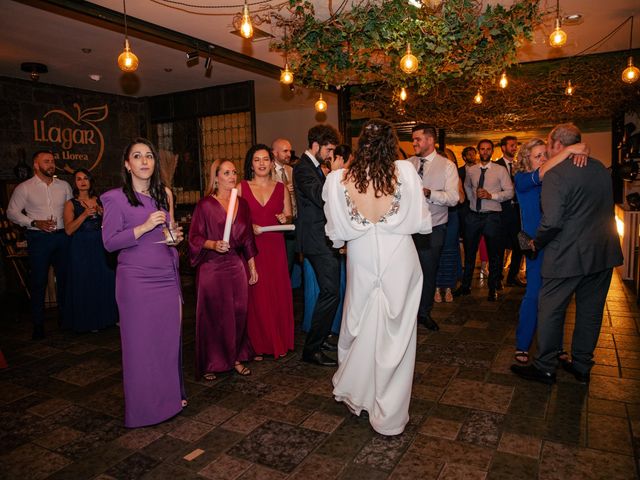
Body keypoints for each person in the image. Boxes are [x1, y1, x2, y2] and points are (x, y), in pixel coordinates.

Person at [323, 119, 432, 435]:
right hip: (399, 254)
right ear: (391, 143)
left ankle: (360, 394)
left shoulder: (338, 180)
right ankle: (388, 413)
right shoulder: (406, 173)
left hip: (361, 256)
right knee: (396, 334)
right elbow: (422, 222)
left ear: (360, 145)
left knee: (360, 322)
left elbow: (336, 234)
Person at [511, 124, 623, 384]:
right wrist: (576, 149)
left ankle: (545, 365)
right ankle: (582, 365)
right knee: (590, 312)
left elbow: (552, 221)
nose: (547, 154)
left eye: (548, 147)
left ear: (556, 145)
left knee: (550, 309)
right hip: (602, 253)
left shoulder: (557, 174)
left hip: (564, 252)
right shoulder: (598, 168)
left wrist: (537, 242)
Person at [101, 138, 186, 428]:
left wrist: (175, 237)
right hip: (136, 280)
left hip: (165, 275)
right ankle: (143, 410)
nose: (144, 161)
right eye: (137, 156)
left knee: (166, 341)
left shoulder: (164, 193)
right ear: (127, 164)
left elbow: (170, 232)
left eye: (149, 155)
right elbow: (110, 243)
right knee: (140, 347)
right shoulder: (114, 198)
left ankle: (170, 399)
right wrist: (144, 226)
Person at [511, 138, 589, 364]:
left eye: (546, 154)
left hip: (558, 244)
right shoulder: (523, 179)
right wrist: (572, 149)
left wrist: (581, 150)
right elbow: (543, 172)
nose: (544, 159)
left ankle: (555, 346)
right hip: (536, 245)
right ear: (526, 161)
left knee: (558, 297)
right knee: (534, 295)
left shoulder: (553, 179)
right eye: (538, 156)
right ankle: (523, 344)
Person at [189, 159, 258, 380]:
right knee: (213, 315)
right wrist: (212, 244)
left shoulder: (243, 204)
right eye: (226, 172)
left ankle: (235, 356)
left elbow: (247, 238)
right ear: (216, 177)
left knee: (239, 312)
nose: (231, 176)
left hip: (236, 265)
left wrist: (252, 267)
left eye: (234, 172)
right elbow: (194, 238)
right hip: (212, 266)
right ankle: (212, 361)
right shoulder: (205, 205)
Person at [7, 150, 73, 339]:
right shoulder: (24, 187)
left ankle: (65, 319)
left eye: (52, 161)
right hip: (38, 238)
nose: (51, 164)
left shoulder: (64, 185)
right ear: (36, 165)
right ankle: (38, 325)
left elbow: (70, 210)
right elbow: (12, 212)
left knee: (65, 279)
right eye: (46, 161)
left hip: (62, 237)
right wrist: (34, 222)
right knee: (38, 282)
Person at [238, 145, 294, 359]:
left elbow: (288, 216)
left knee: (276, 292)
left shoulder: (281, 188)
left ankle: (277, 340)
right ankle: (257, 343)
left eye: (265, 159)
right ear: (251, 164)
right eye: (256, 160)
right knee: (256, 295)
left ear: (272, 163)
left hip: (275, 246)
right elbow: (233, 219)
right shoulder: (241, 187)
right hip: (252, 249)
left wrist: (284, 218)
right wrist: (246, 226)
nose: (261, 163)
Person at [293, 124, 341, 367]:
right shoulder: (302, 168)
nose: (330, 154)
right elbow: (321, 195)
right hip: (315, 239)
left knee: (330, 291)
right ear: (316, 145)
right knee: (331, 292)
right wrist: (336, 174)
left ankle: (319, 339)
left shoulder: (313, 167)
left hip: (321, 238)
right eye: (329, 149)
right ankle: (312, 349)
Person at [408, 125, 459, 329]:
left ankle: (424, 313)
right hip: (408, 228)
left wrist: (430, 194)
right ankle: (407, 315)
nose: (414, 143)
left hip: (434, 228)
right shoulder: (407, 164)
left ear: (430, 140)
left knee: (428, 272)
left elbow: (454, 198)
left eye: (418, 139)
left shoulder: (447, 166)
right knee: (407, 272)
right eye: (413, 139)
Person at [455, 139, 513, 301]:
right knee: (470, 253)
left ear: (492, 151)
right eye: (482, 149)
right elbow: (466, 186)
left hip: (492, 216)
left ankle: (492, 288)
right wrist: (472, 198)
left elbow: (510, 192)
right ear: (478, 151)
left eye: (488, 149)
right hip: (473, 215)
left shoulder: (500, 170)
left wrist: (491, 196)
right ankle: (465, 286)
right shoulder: (472, 170)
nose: (485, 152)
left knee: (495, 254)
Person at [63, 168, 117, 332]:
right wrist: (84, 214)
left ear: (90, 181)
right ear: (75, 183)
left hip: (100, 245)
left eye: (85, 178)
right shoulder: (70, 204)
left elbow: (111, 225)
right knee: (85, 282)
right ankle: (89, 322)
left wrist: (104, 214)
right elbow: (69, 230)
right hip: (81, 247)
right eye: (78, 179)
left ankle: (109, 318)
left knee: (105, 279)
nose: (82, 181)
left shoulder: (100, 200)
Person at [495, 135, 525, 288]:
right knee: (499, 247)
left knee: (519, 245)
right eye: (512, 145)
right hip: (501, 211)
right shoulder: (495, 166)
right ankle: (498, 278)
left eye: (516, 145)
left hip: (517, 212)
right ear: (503, 147)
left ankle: (512, 277)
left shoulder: (519, 166)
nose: (514, 148)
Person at [435, 150, 465, 303]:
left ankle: (447, 287)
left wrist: (449, 192)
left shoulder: (455, 178)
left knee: (449, 251)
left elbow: (461, 198)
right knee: (435, 252)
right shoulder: (429, 178)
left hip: (451, 216)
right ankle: (435, 288)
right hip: (434, 216)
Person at [272, 138, 297, 274]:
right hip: (276, 221)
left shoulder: (290, 170)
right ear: (275, 153)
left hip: (292, 220)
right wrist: (284, 189)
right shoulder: (268, 171)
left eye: (289, 151)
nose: (289, 154)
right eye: (285, 151)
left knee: (289, 263)